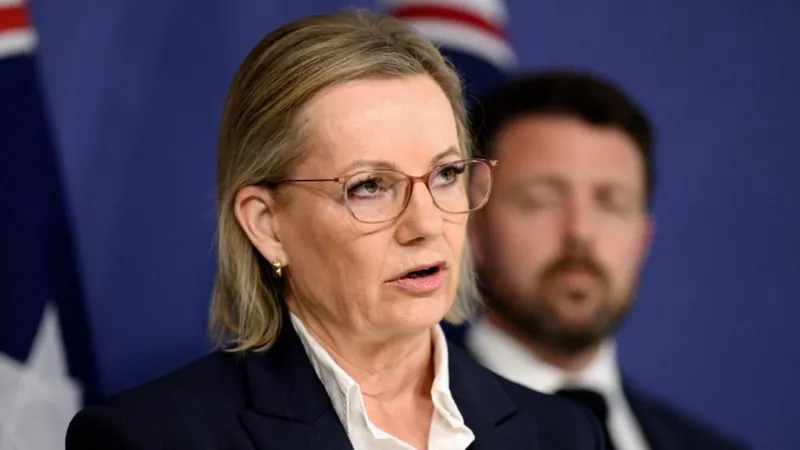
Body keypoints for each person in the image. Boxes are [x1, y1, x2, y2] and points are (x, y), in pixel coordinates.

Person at [65, 12, 606, 450]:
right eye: (370, 186)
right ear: (267, 225)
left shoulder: (564, 435)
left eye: (445, 174)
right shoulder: (150, 440)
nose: (425, 225)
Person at [451, 70, 749, 450]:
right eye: (540, 200)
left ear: (644, 238)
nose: (580, 232)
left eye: (611, 203)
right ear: (473, 227)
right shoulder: (404, 433)